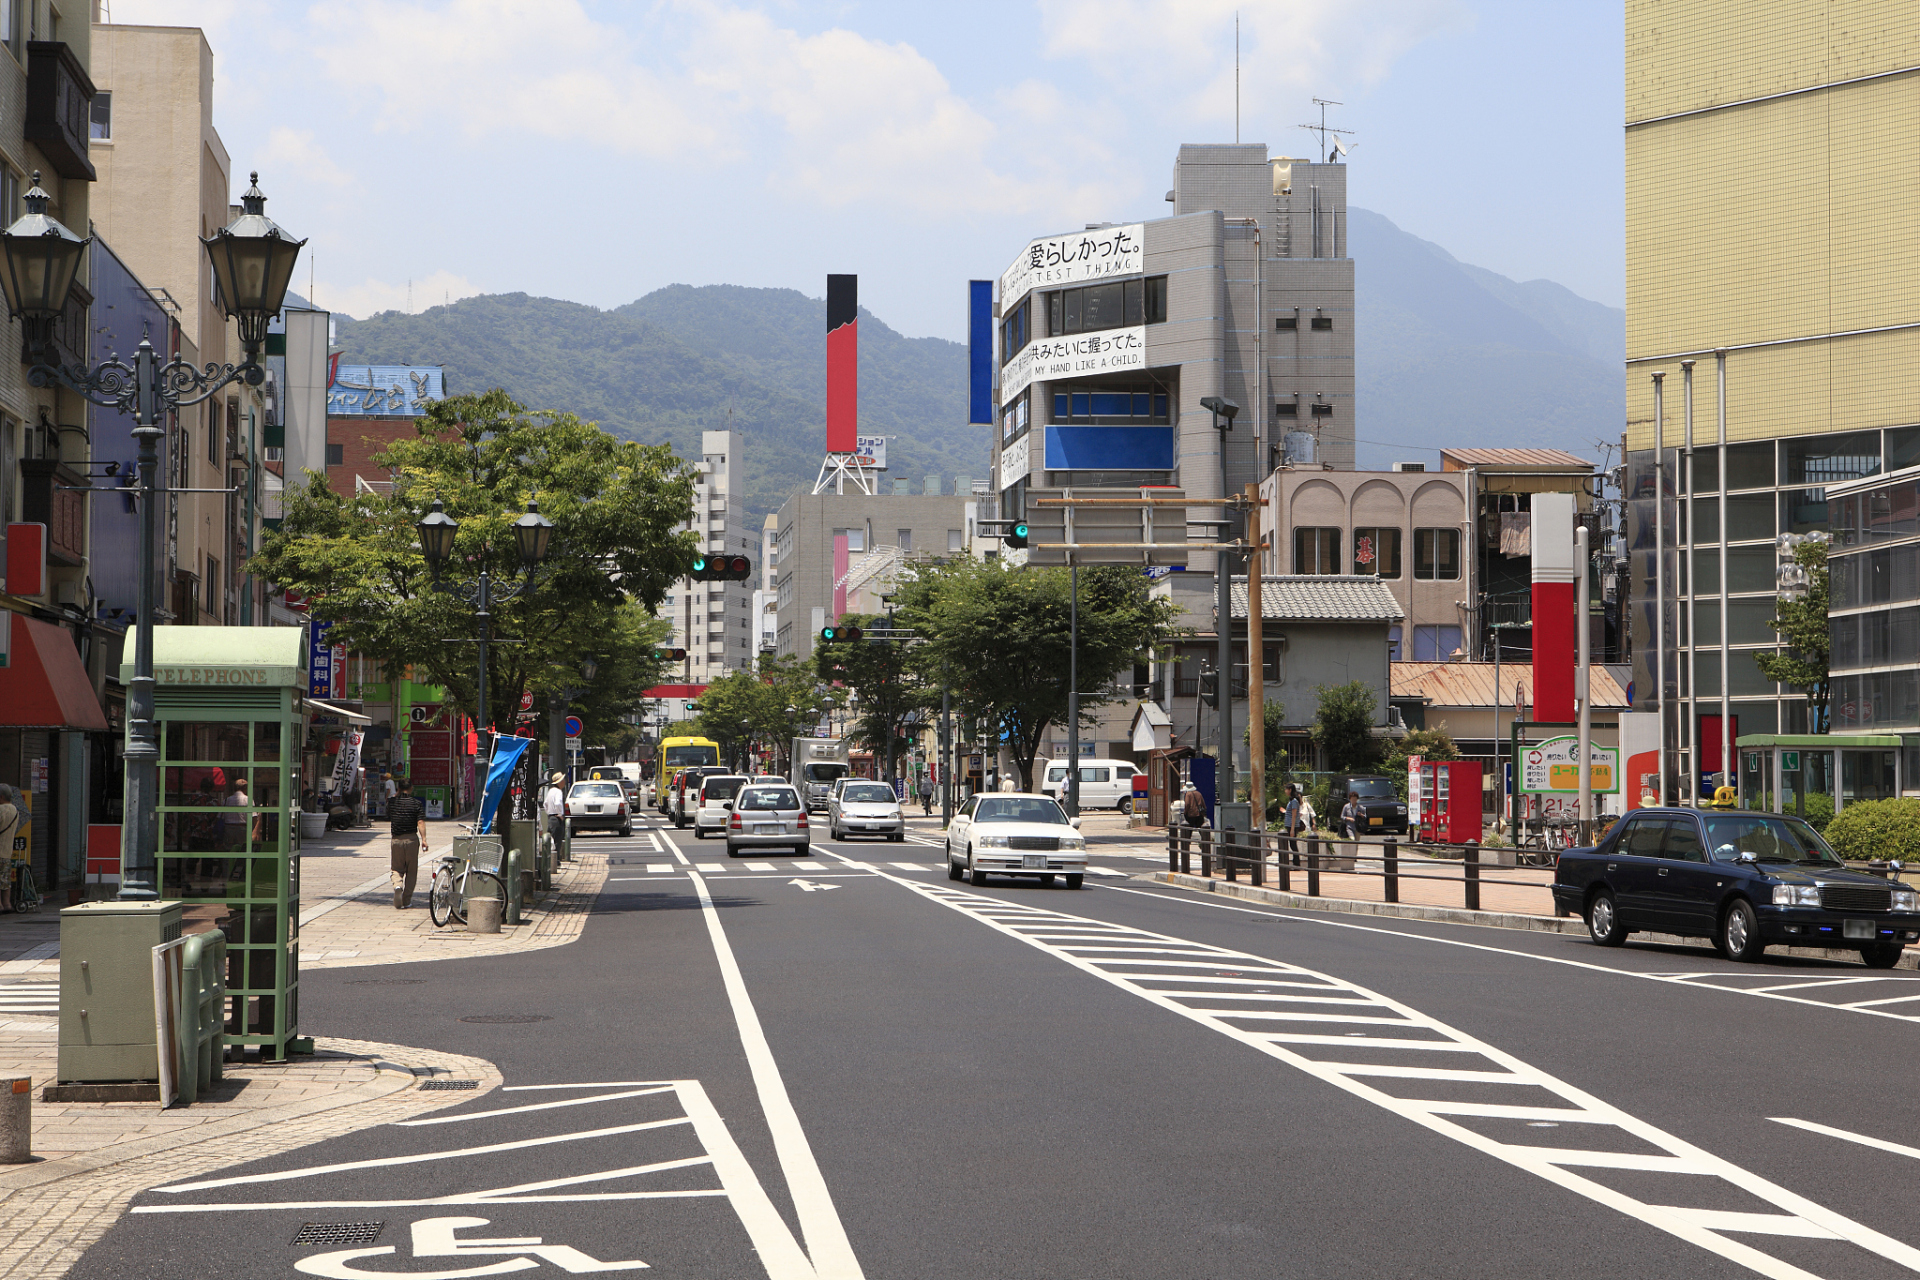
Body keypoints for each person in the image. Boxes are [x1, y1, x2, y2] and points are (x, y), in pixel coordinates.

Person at [387, 779, 426, 909]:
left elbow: (390, 809)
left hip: (396, 839)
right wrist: (424, 839)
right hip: (411, 840)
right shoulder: (416, 803)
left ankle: (397, 885)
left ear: (398, 788)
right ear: (411, 788)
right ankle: (406, 900)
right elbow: (420, 822)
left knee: (397, 868)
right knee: (411, 871)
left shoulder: (392, 802)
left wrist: (397, 794)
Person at [1176, 784, 1211, 866]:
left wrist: (1185, 812)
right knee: (1202, 830)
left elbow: (1187, 804)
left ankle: (1186, 844)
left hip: (1191, 814)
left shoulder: (1188, 794)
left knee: (1188, 830)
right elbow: (1203, 804)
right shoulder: (1198, 793)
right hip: (1199, 814)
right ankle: (1205, 843)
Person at [0, 784, 17, 913]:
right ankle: (7, 904)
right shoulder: (15, 810)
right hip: (7, 851)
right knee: (5, 879)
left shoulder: (1, 810)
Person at [543, 772, 567, 857]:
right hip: (556, 818)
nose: (564, 781)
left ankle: (550, 860)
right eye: (563, 779)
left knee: (551, 841)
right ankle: (556, 861)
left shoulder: (550, 791)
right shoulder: (558, 792)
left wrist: (549, 812)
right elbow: (558, 803)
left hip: (550, 818)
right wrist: (560, 814)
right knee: (557, 841)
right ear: (559, 782)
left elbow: (545, 804)